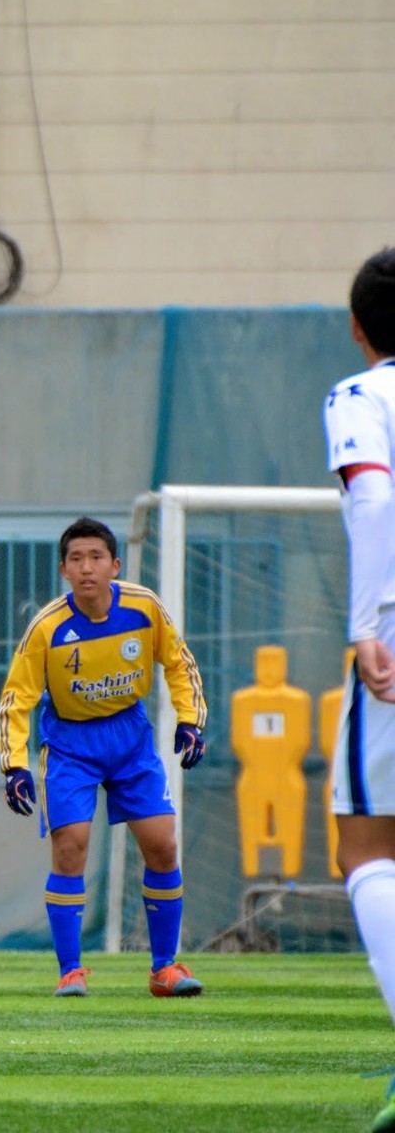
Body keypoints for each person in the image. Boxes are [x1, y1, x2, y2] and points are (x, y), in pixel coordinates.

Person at [0, 517, 207, 1000]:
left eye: (95, 558)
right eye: (76, 559)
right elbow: (16, 698)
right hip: (69, 745)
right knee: (71, 847)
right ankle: (71, 971)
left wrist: (191, 719)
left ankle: (164, 968)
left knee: (163, 845)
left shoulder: (144, 607)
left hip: (129, 738)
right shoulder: (48, 626)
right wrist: (15, 766)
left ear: (114, 565)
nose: (86, 568)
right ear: (63, 570)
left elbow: (179, 662)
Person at [322, 246, 395, 1133]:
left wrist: (367, 626)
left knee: (368, 844)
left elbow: (375, 501)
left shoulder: (361, 394)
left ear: (356, 325)